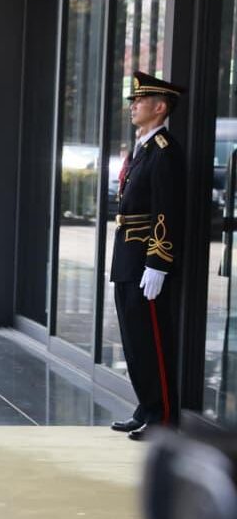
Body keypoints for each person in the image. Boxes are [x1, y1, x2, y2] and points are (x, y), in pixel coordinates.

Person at [109, 71, 186, 442]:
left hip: (146, 260)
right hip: (127, 257)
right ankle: (147, 407)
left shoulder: (164, 151)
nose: (133, 106)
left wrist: (158, 261)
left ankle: (164, 418)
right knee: (135, 340)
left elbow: (166, 211)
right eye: (133, 101)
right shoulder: (141, 147)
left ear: (160, 107)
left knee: (154, 341)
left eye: (139, 101)